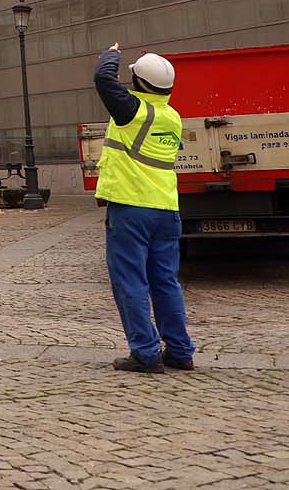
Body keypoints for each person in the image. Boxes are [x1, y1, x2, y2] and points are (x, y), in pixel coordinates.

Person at [94, 43, 194, 373]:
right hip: (166, 209)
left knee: (131, 281)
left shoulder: (134, 112)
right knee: (165, 281)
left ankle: (146, 353)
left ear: (139, 82)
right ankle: (180, 351)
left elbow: (103, 79)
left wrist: (112, 54)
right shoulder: (171, 116)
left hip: (131, 208)